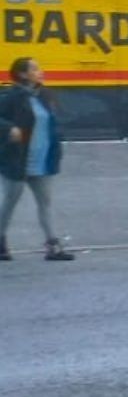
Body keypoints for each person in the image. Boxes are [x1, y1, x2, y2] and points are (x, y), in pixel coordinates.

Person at [0, 57, 73, 261]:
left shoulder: (43, 95)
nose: (40, 71)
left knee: (45, 203)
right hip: (17, 159)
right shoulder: (11, 96)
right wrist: (10, 130)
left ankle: (53, 246)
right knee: (9, 202)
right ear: (22, 74)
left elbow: (49, 124)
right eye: (35, 68)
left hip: (42, 159)